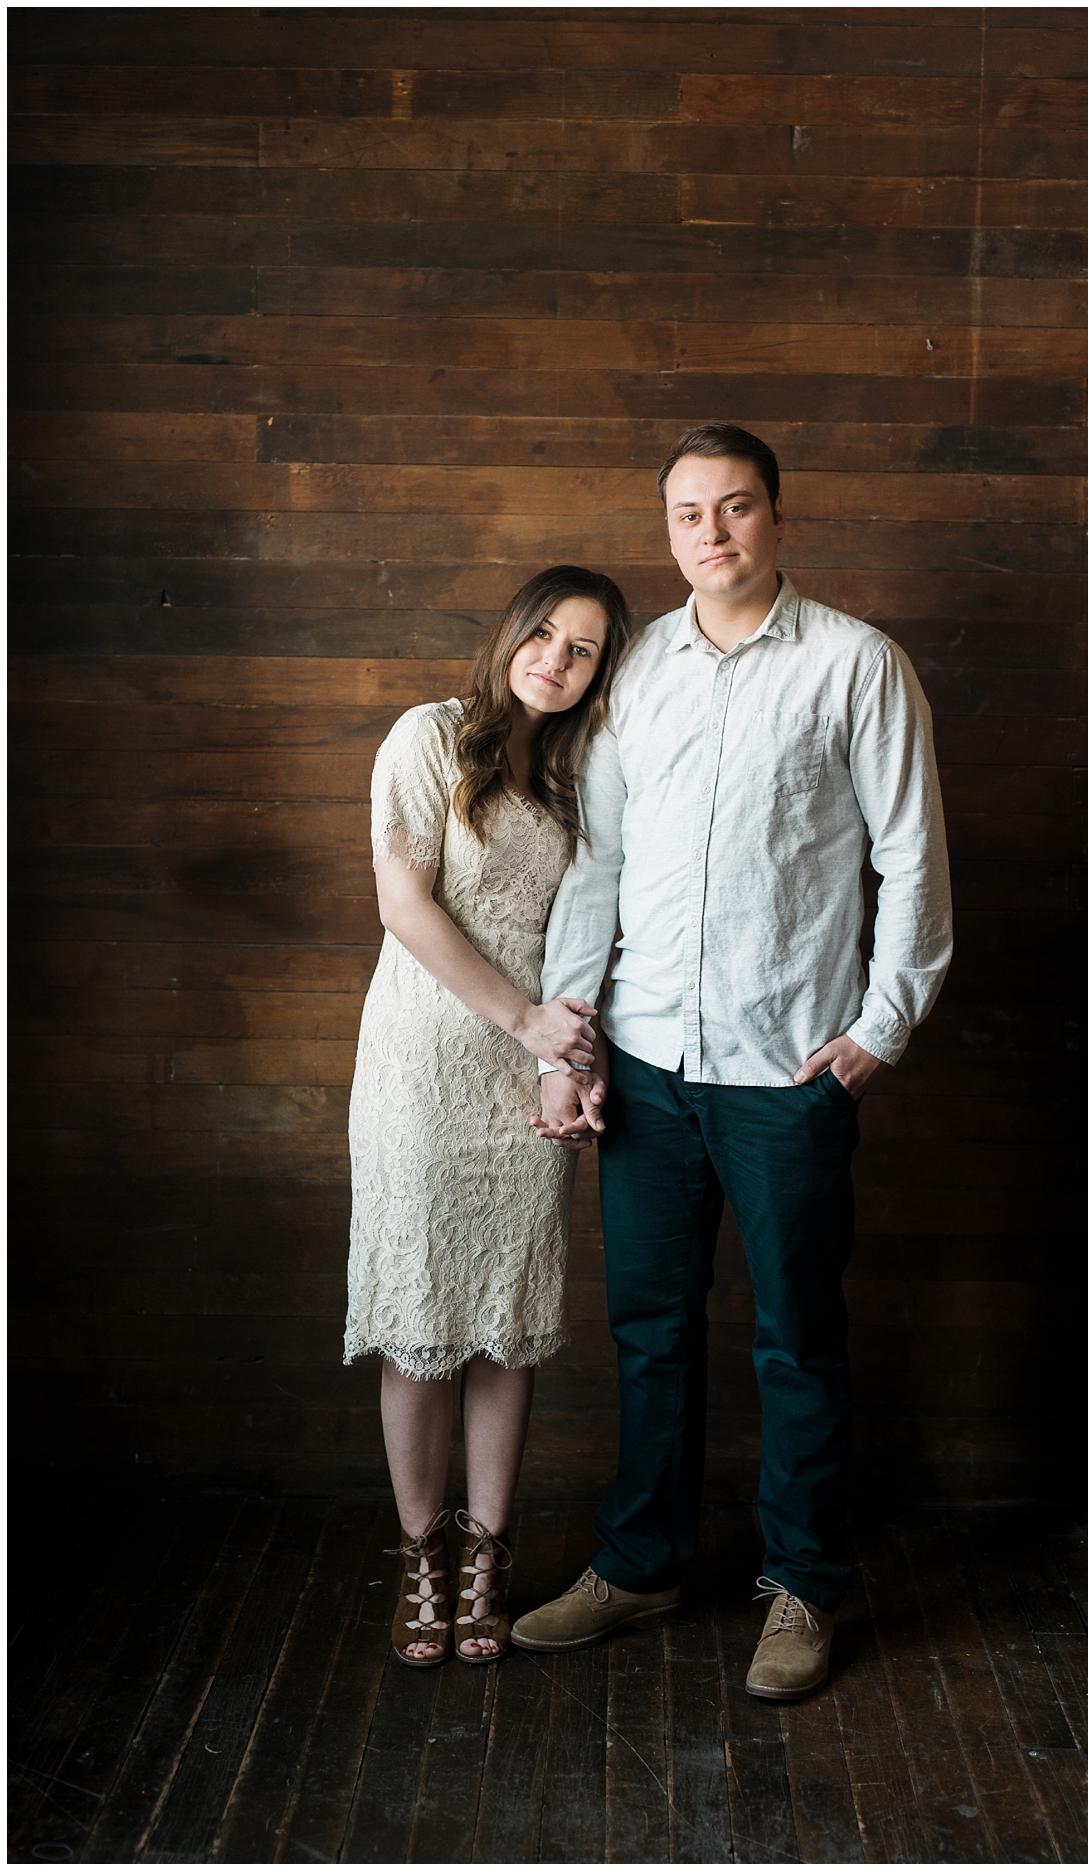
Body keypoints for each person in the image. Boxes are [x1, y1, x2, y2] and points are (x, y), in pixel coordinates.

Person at [508, 422, 952, 1705]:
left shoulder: (857, 665)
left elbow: (912, 856)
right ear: (669, 532)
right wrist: (573, 1026)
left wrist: (882, 1026)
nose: (713, 533)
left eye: (736, 507)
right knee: (650, 1333)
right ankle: (641, 1561)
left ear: (776, 516)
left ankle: (804, 1584)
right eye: (690, 514)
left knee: (797, 1337)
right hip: (645, 1062)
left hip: (787, 1072)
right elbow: (598, 865)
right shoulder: (633, 669)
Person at [347, 563, 625, 1668]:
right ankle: (421, 1553)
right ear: (512, 633)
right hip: (424, 1056)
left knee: (508, 1320)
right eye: (545, 635)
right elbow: (400, 901)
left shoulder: (582, 775)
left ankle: (488, 1555)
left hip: (528, 1071)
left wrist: (570, 1061)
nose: (555, 661)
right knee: (422, 1318)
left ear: (602, 671)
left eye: (585, 649)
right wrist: (527, 1023)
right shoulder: (428, 736)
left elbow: (593, 931)